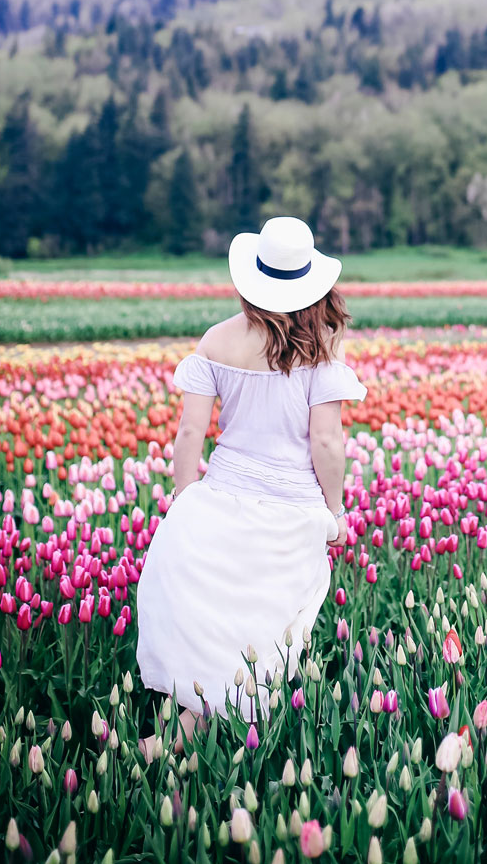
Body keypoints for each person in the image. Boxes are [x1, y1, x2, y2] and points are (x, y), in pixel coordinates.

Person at [135, 215, 366, 762]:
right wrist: (334, 512)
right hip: (290, 509)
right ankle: (196, 736)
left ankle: (181, 732)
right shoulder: (320, 351)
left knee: (213, 615)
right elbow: (327, 445)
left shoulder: (217, 340)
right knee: (257, 624)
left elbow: (190, 431)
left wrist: (185, 496)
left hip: (223, 497)